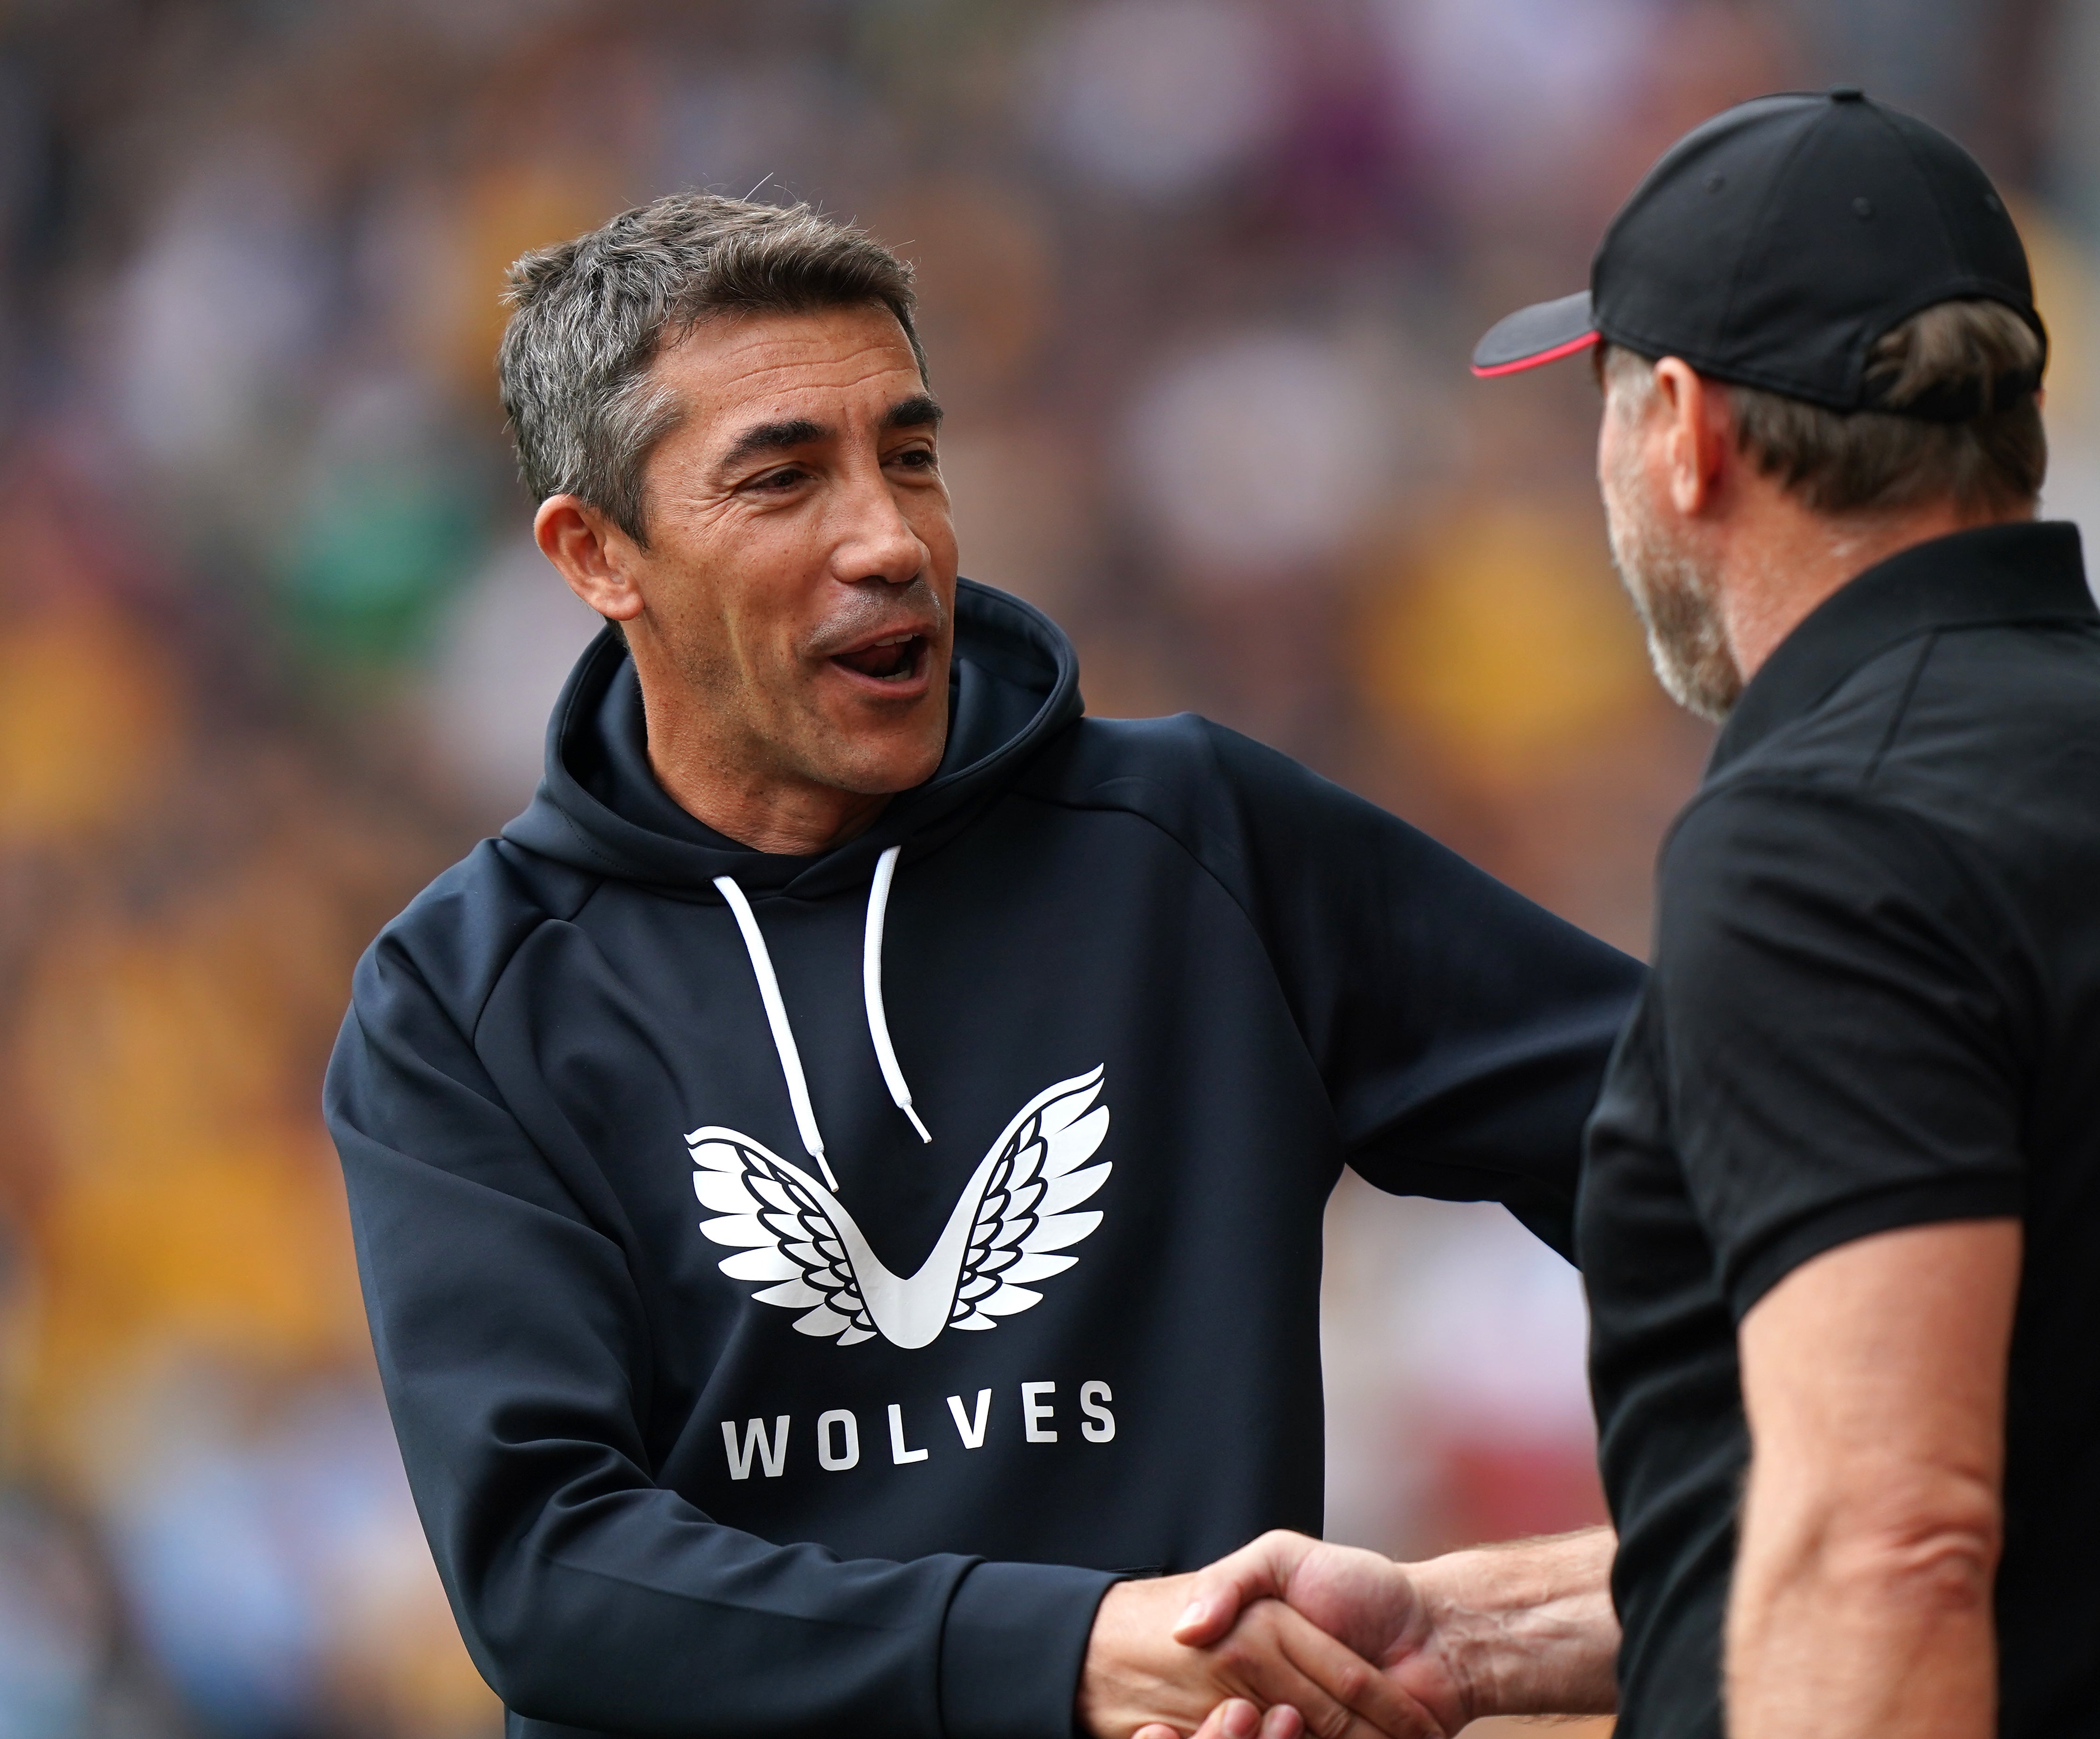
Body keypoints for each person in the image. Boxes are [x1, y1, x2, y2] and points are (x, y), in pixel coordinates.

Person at [324, 193, 1631, 1739]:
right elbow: (547, 1577)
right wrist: (1066, 1652)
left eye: (913, 455)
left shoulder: (1202, 844)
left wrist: (1702, 1539)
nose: (888, 537)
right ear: (598, 552)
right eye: (782, 478)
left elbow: (1733, 1156)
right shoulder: (461, 1005)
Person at [1460, 90, 2100, 1737]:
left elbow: (1886, 1546)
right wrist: (1459, 1628)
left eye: (1605, 412)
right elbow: (2073, 1512)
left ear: (1681, 427)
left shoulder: (1822, 828)